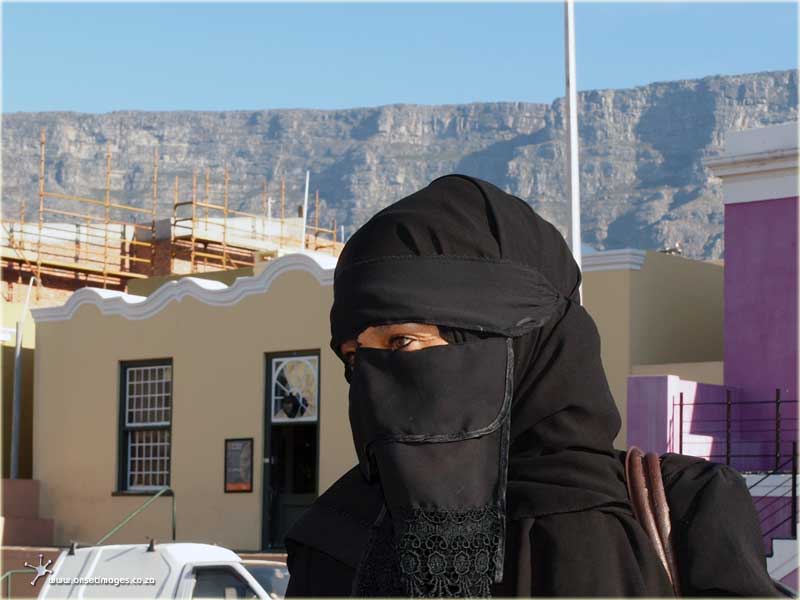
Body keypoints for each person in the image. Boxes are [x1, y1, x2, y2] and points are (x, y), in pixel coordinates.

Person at [284, 174, 782, 597]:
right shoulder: (338, 534)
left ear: (517, 344)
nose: (372, 383)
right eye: (354, 356)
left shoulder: (687, 511)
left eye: (401, 343)